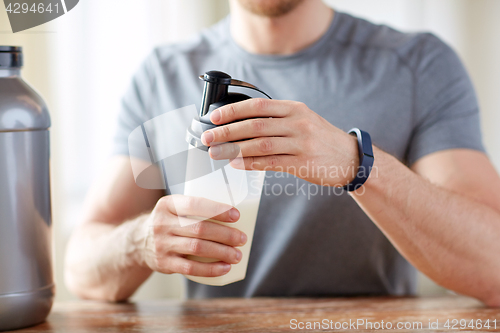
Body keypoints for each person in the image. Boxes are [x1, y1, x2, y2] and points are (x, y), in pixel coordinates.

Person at [64, 0, 500, 306]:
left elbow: (492, 267)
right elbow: (82, 269)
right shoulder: (162, 74)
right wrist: (138, 242)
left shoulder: (419, 65)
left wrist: (357, 162)